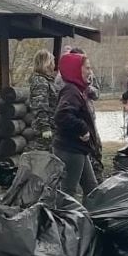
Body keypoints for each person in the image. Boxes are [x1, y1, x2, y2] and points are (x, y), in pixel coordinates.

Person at [53, 51, 99, 198]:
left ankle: (92, 219)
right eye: (87, 68)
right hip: (70, 150)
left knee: (91, 188)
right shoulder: (71, 91)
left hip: (79, 149)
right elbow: (62, 115)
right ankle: (63, 220)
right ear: (76, 70)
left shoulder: (79, 90)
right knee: (68, 192)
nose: (90, 72)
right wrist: (83, 128)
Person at [27, 49, 58, 151]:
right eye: (52, 62)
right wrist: (45, 127)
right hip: (45, 130)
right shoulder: (40, 81)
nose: (54, 65)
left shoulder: (47, 80)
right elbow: (39, 105)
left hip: (53, 126)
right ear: (46, 63)